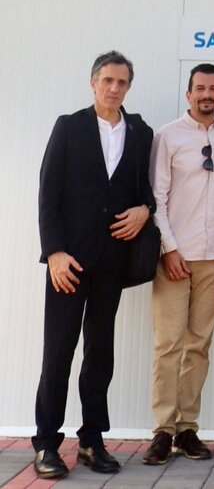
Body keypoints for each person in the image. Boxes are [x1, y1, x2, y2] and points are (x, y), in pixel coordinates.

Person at [34, 51, 155, 478]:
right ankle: (47, 442)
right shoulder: (69, 127)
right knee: (58, 352)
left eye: (122, 82)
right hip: (69, 262)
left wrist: (145, 209)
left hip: (112, 264)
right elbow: (48, 195)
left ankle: (91, 440)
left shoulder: (140, 132)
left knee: (100, 354)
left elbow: (147, 189)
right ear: (93, 82)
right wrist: (54, 253)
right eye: (107, 80)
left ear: (128, 86)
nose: (114, 88)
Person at [142, 64, 214, 465]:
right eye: (200, 88)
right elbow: (157, 196)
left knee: (198, 345)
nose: (207, 95)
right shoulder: (168, 137)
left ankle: (187, 429)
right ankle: (162, 431)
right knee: (168, 344)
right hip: (176, 255)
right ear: (189, 94)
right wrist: (168, 248)